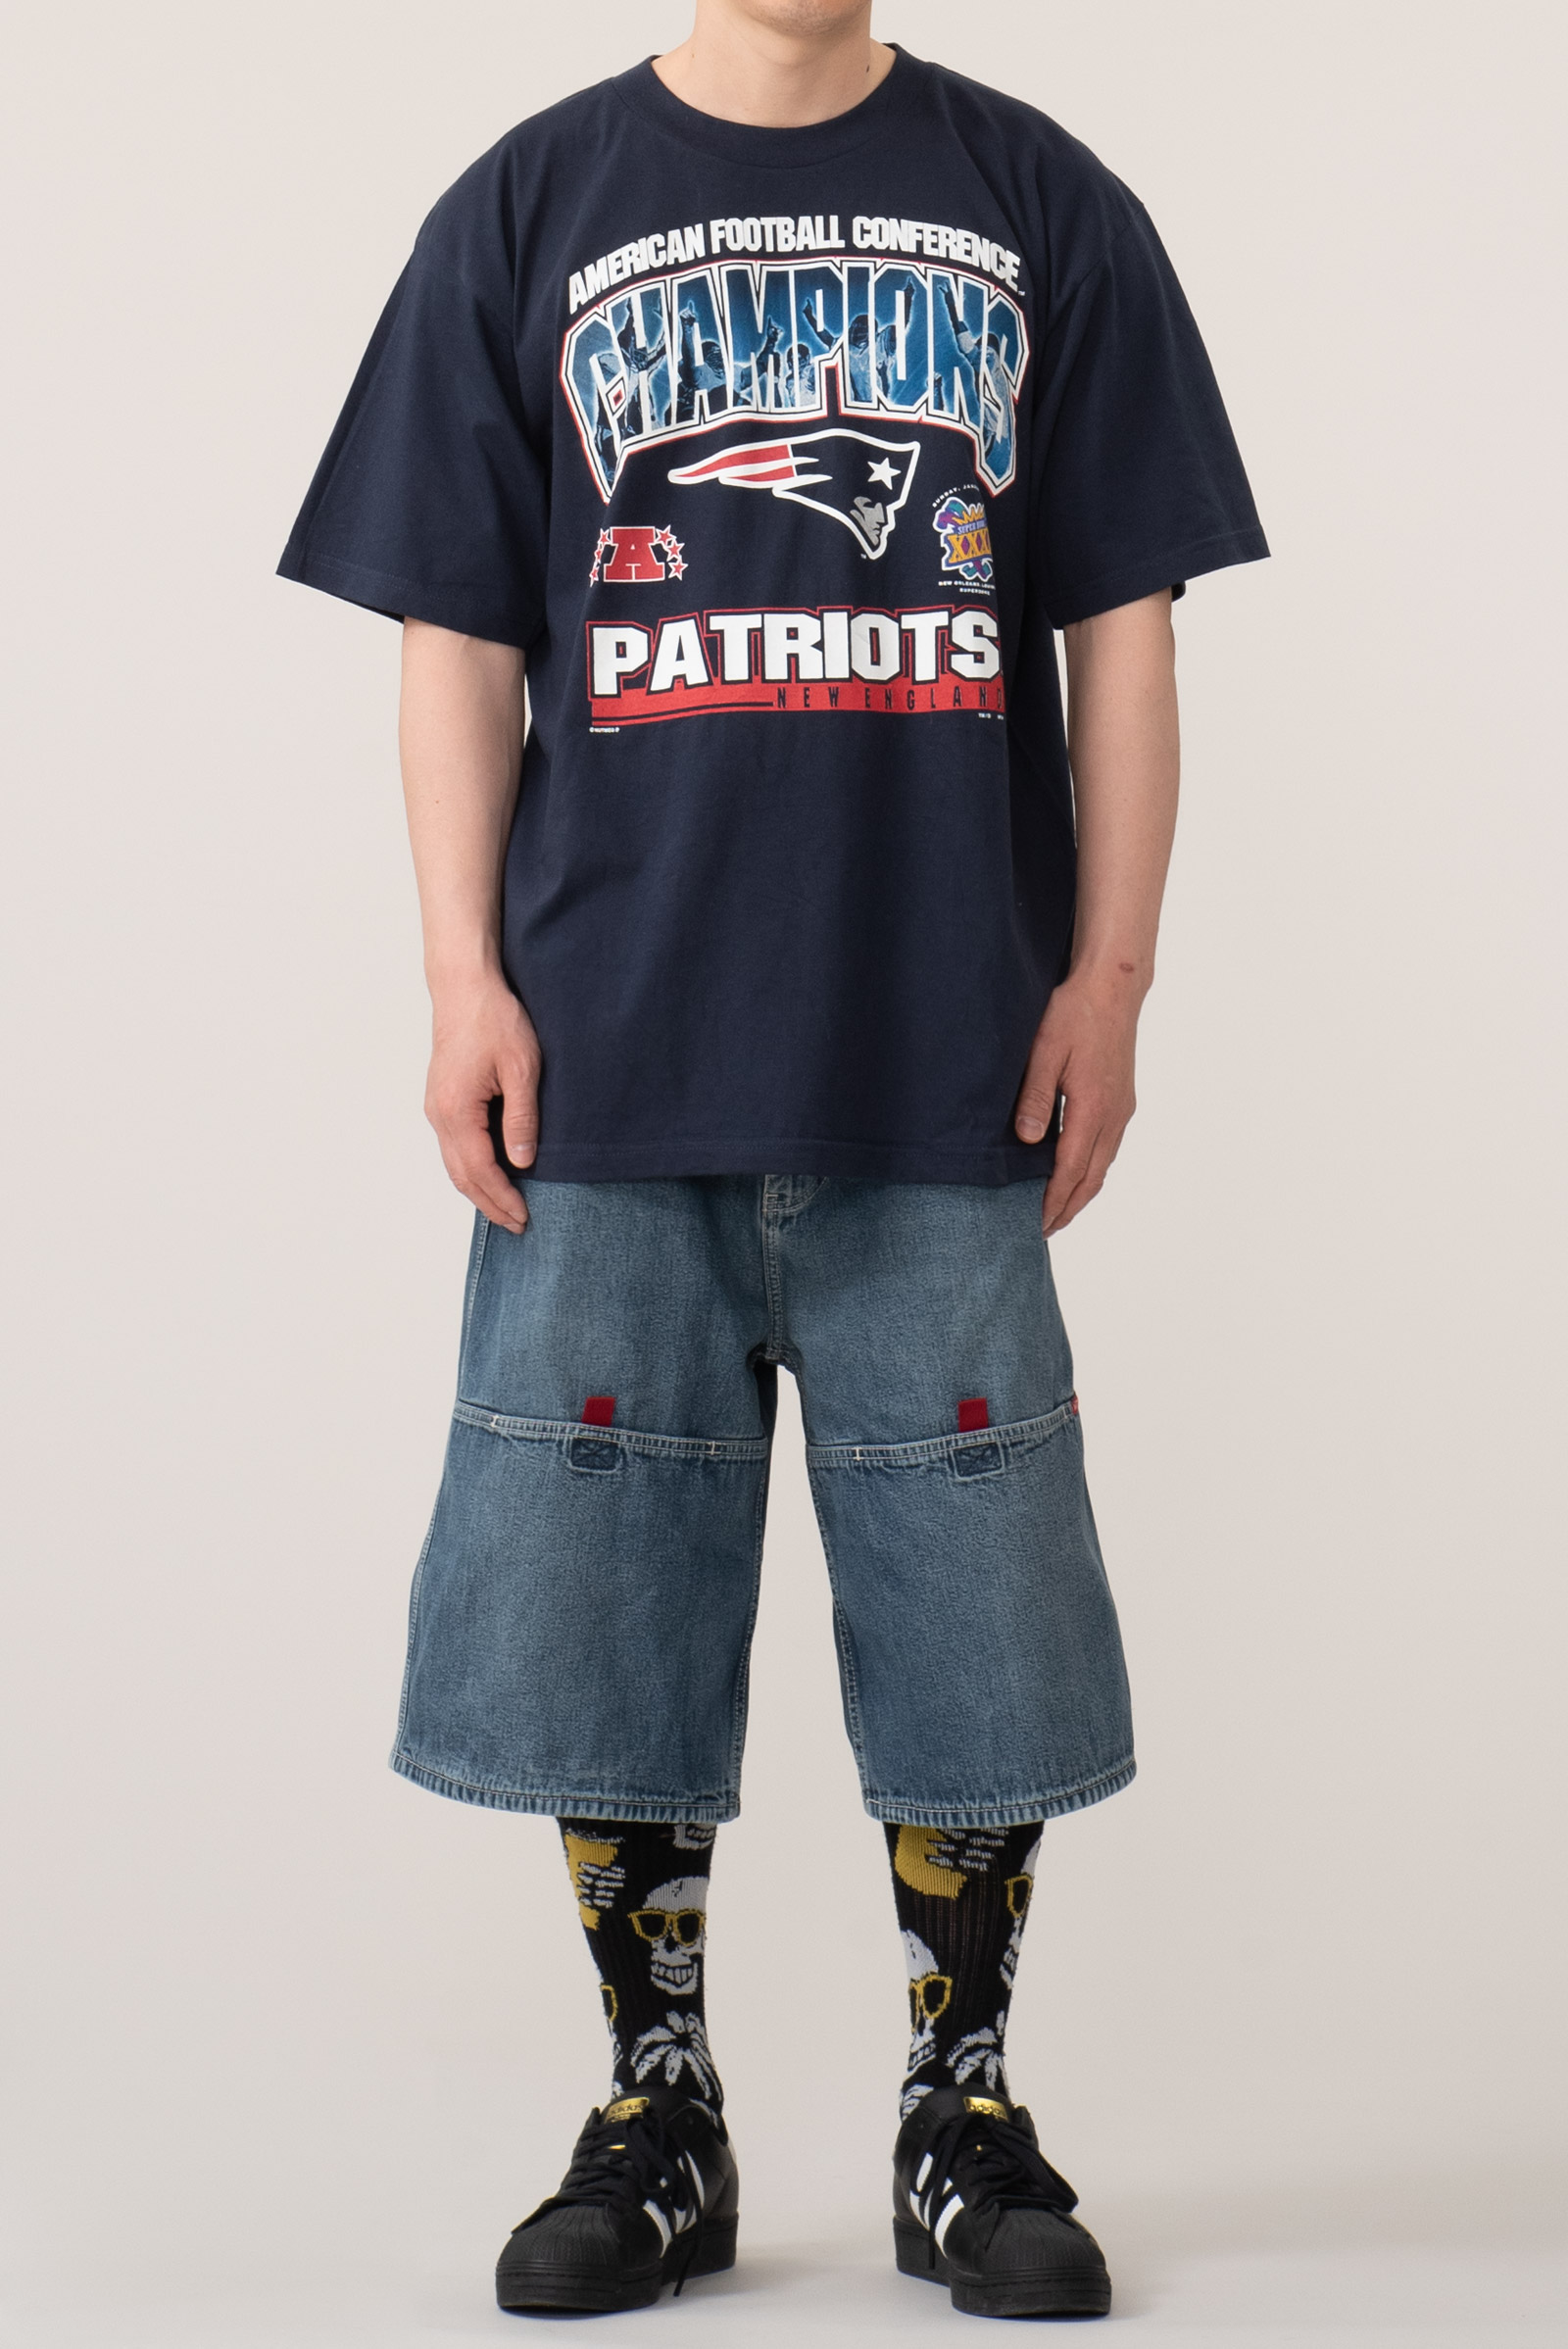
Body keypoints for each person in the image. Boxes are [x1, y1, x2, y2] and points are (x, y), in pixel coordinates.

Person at [278, 0, 1266, 2321]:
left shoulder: (1042, 203)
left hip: (946, 1051)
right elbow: (455, 633)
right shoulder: (525, 208)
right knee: (596, 1593)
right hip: (608, 1056)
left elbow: (1119, 627)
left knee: (979, 1605)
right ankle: (659, 2105)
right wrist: (459, 976)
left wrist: (1110, 976)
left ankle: (961, 2103)